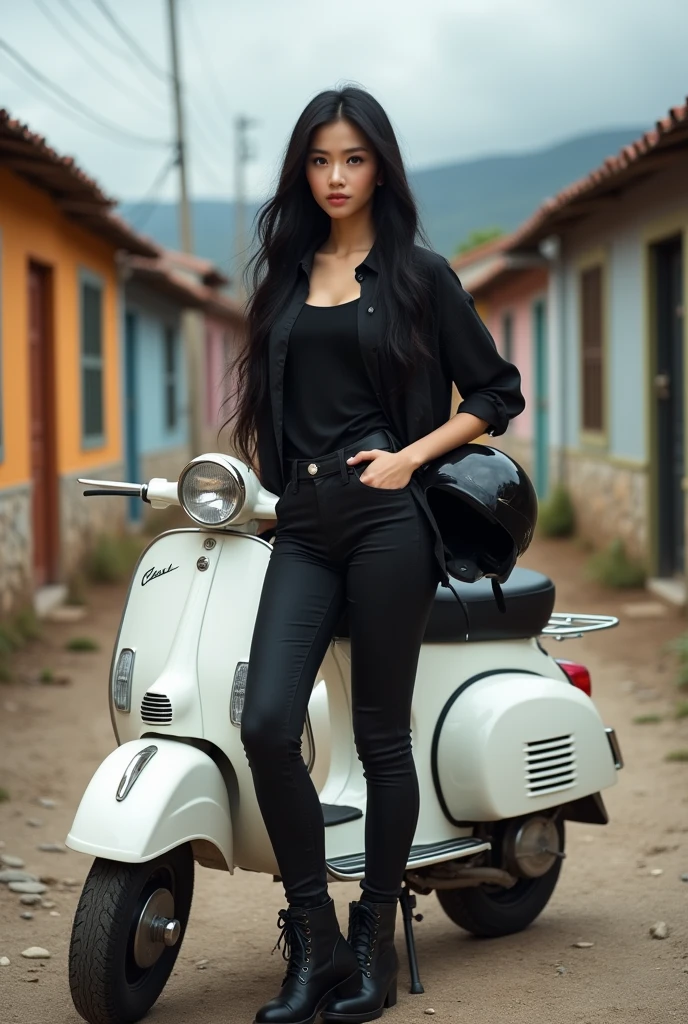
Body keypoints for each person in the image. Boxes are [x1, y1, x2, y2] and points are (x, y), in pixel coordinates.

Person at [226, 85, 525, 1024]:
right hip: (303, 522)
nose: (336, 177)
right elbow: (271, 406)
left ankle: (371, 947)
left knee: (380, 737)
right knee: (270, 722)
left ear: (381, 165)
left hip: (391, 519)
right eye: (319, 160)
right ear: (301, 170)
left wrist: (410, 456)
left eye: (353, 158)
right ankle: (312, 942)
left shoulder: (418, 275)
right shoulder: (283, 273)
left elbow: (495, 391)